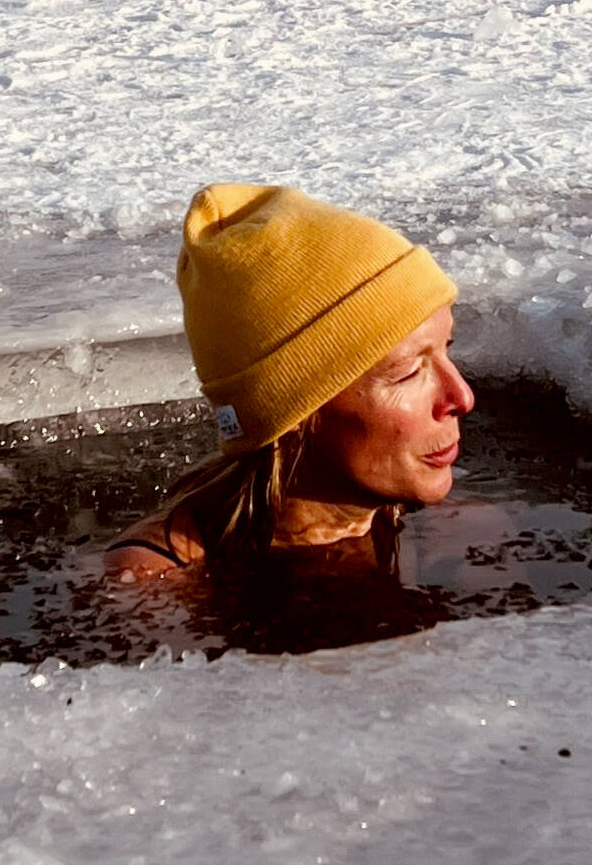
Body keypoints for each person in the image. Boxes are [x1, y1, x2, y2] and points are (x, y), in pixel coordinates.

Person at [105, 183, 474, 579]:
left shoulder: (460, 531)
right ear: (292, 409)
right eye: (408, 372)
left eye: (446, 349)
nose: (462, 397)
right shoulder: (154, 582)